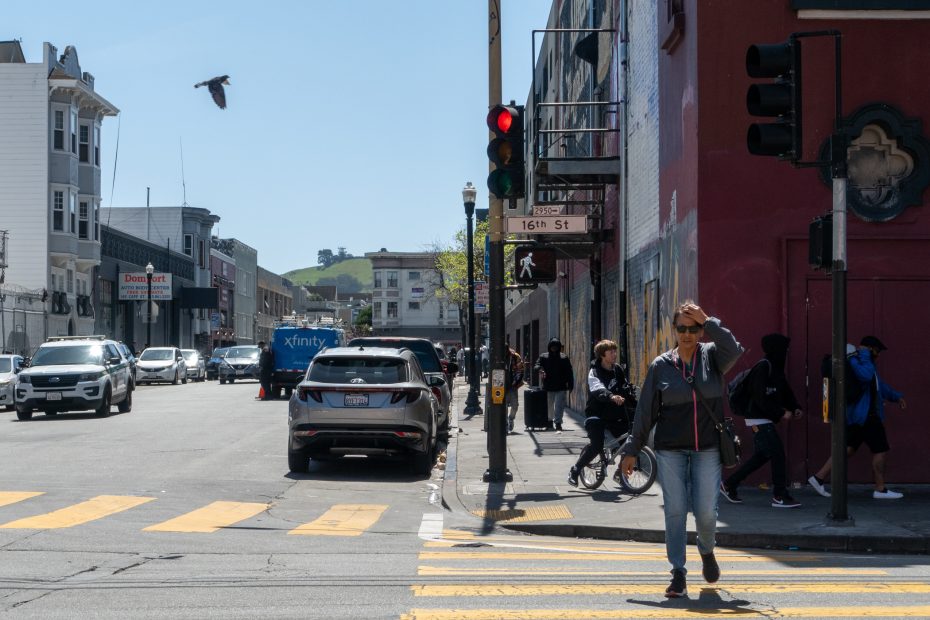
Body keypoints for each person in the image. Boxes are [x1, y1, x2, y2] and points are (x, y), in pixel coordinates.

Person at [620, 301, 743, 598]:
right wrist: (632, 449)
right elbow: (645, 412)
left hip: (708, 449)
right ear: (673, 330)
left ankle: (707, 549)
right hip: (670, 449)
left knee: (705, 513)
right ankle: (678, 573)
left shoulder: (713, 357)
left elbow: (735, 349)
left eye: (694, 328)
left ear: (701, 331)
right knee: (674, 510)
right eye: (681, 328)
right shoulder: (661, 365)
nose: (687, 334)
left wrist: (708, 319)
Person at [808, 335, 907, 499]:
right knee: (880, 450)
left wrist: (896, 396)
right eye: (877, 350)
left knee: (846, 450)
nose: (879, 354)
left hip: (857, 417)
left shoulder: (862, 362)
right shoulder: (857, 361)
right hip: (867, 416)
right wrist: (865, 355)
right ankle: (880, 489)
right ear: (869, 348)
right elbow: (867, 376)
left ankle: (818, 478)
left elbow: (877, 385)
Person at [720, 333, 803, 508]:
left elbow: (785, 391)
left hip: (763, 418)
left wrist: (795, 407)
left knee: (762, 455)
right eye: (784, 349)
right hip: (758, 419)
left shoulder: (776, 368)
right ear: (776, 349)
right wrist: (781, 412)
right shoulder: (763, 368)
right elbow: (760, 398)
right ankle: (780, 496)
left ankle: (729, 484)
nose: (786, 352)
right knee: (778, 454)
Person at [568, 340, 636, 487]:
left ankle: (620, 474)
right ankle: (575, 470)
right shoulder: (594, 371)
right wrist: (611, 396)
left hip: (615, 414)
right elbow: (597, 388)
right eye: (611, 352)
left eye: (615, 351)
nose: (614, 354)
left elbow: (624, 388)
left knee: (629, 444)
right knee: (597, 445)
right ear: (602, 355)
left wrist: (636, 401)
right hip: (596, 414)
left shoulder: (617, 369)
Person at [534, 337, 575, 432]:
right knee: (549, 406)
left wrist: (570, 384)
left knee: (559, 406)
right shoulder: (543, 356)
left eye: (556, 346)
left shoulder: (564, 357)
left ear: (559, 347)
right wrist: (541, 369)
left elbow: (569, 372)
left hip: (561, 386)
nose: (554, 348)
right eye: (552, 346)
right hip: (548, 386)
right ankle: (549, 422)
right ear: (549, 347)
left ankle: (558, 423)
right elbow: (536, 365)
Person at [505, 345, 525, 433]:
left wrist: (516, 382)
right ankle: (505, 423)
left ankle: (511, 419)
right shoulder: (497, 356)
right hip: (501, 386)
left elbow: (520, 370)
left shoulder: (515, 356)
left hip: (512, 385)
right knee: (503, 406)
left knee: (515, 405)